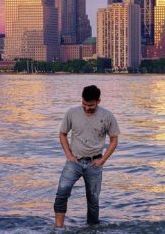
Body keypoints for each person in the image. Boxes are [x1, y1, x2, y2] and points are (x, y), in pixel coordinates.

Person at [54, 85, 120, 227]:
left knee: (93, 201)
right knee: (61, 193)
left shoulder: (107, 116)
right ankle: (58, 228)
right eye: (84, 103)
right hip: (74, 162)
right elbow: (62, 134)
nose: (86, 108)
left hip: (95, 163)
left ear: (98, 101)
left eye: (90, 105)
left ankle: (92, 228)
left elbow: (114, 140)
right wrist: (68, 155)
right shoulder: (72, 113)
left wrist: (103, 160)